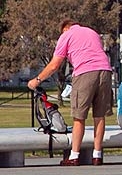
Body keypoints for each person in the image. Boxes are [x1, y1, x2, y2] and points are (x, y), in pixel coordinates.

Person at [28, 18, 113, 166]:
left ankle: (74, 156)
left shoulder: (66, 35)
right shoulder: (92, 32)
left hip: (85, 72)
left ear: (65, 29)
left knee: (79, 116)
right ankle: (97, 155)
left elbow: (54, 65)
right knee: (99, 116)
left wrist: (37, 80)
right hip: (105, 70)